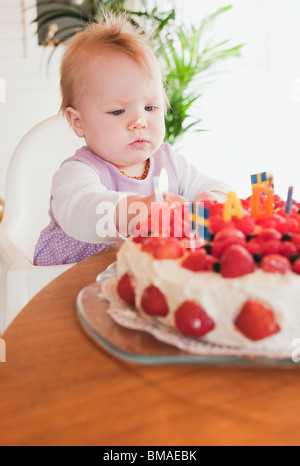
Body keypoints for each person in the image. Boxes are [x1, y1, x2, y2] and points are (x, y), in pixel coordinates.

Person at [34, 13, 230, 266]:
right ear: (78, 122)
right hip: (64, 284)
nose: (140, 121)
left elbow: (220, 188)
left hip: (139, 281)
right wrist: (138, 210)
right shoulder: (78, 172)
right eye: (118, 111)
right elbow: (81, 210)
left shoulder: (170, 163)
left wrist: (211, 201)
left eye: (150, 108)